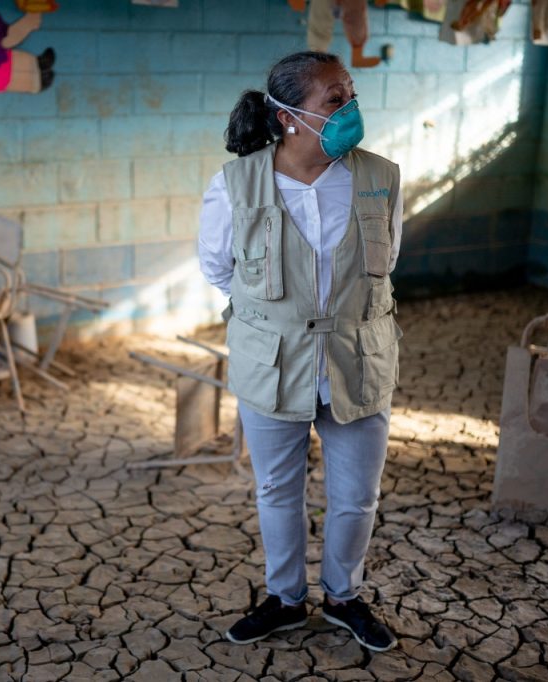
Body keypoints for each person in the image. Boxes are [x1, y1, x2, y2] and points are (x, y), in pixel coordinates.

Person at [198, 51, 403, 652]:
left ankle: (344, 596)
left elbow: (386, 263)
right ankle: (285, 599)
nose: (351, 109)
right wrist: (278, 313)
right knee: (277, 491)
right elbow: (217, 268)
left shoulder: (380, 177)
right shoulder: (235, 184)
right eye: (334, 101)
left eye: (352, 94)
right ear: (289, 117)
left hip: (358, 358)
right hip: (272, 362)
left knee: (357, 494)